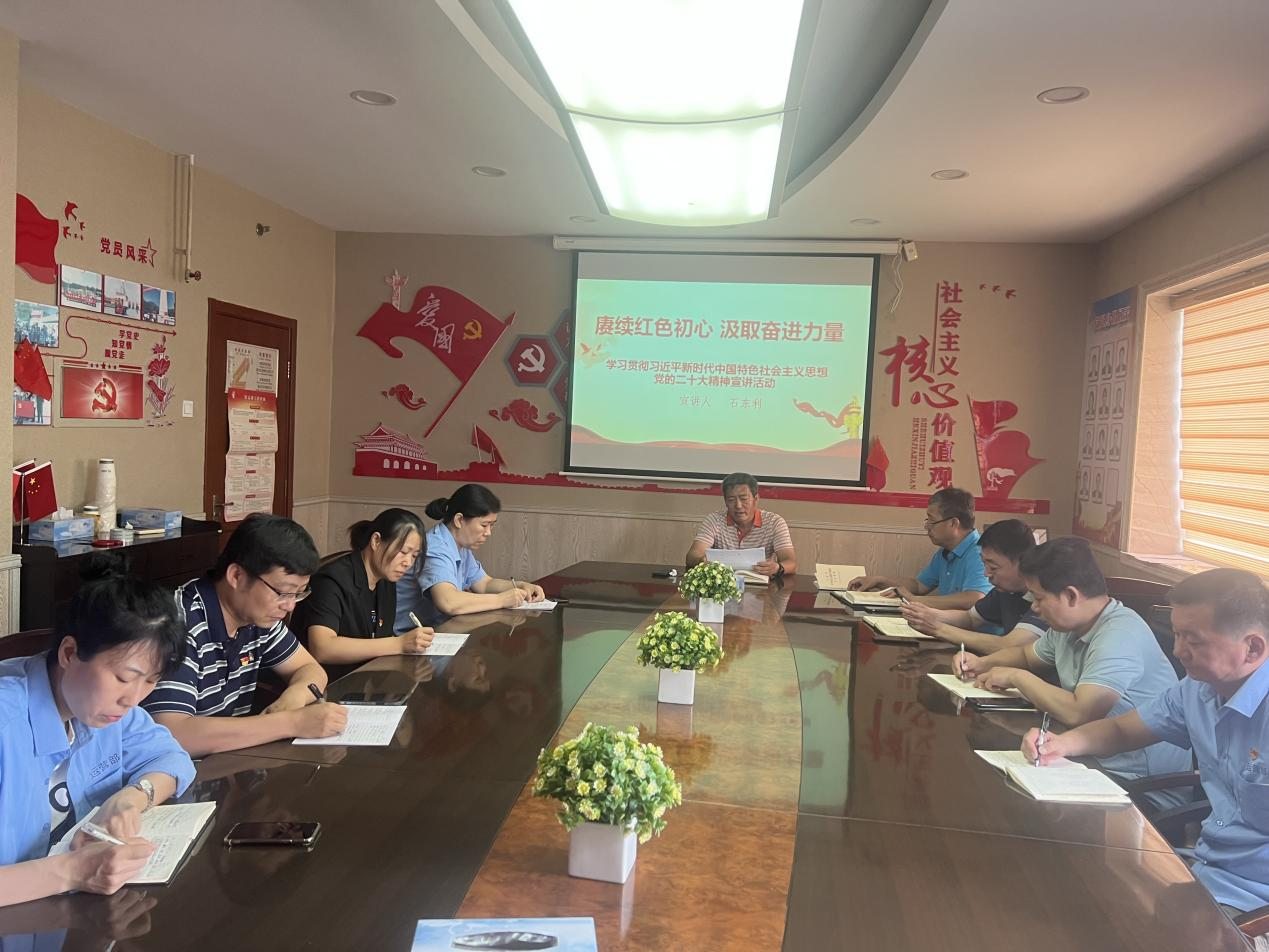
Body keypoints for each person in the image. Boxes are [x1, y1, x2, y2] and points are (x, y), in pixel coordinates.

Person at [1022, 569, 1269, 943]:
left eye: (1193, 640)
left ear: (1252, 648)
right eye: (1177, 634)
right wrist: (1061, 744)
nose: (1178, 650)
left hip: (1254, 908)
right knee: (1074, 902)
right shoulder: (1197, 690)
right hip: (1204, 874)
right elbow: (1122, 730)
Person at [0, 560, 196, 908]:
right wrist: (73, 872)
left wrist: (133, 798)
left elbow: (172, 758)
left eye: (151, 682)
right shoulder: (6, 722)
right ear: (69, 653)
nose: (132, 699)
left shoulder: (108, 710)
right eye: (123, 678)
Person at [958, 537, 1190, 799]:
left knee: (997, 795)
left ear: (1071, 595)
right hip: (1090, 759)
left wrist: (1016, 677)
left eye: (1039, 598)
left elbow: (1080, 712)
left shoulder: (1119, 634)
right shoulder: (1069, 627)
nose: (1034, 607)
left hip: (1138, 785)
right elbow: (1026, 655)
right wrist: (981, 663)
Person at [143, 513, 347, 757]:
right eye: (283, 592)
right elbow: (173, 733)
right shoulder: (178, 622)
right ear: (236, 576)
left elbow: (310, 669)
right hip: (179, 770)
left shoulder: (258, 618)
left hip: (231, 761)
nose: (290, 605)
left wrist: (292, 699)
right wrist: (291, 723)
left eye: (299, 593)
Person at [294, 508, 435, 665]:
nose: (408, 563)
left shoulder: (386, 580)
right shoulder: (330, 581)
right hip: (327, 676)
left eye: (414, 556)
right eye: (403, 552)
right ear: (376, 541)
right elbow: (322, 649)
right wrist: (399, 644)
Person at [395, 485, 545, 629]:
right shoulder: (435, 547)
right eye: (484, 525)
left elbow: (484, 584)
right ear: (459, 520)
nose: (488, 533)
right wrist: (501, 600)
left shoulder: (460, 547)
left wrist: (521, 586)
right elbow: (448, 602)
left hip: (438, 630)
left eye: (492, 525)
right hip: (409, 635)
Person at [900, 519, 1046, 653]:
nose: (986, 573)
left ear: (1023, 562)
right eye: (984, 564)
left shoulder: (1045, 597)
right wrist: (928, 614)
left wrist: (938, 628)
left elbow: (1008, 646)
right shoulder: (1005, 591)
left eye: (993, 567)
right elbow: (971, 618)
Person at [849, 487, 992, 609]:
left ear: (953, 523)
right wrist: (879, 580)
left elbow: (975, 598)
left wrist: (915, 600)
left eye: (932, 520)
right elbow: (919, 585)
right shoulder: (945, 551)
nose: (926, 526)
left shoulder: (980, 552)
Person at [685, 472, 797, 578]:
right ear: (725, 501)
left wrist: (777, 568)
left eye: (744, 499)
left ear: (756, 499)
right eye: (731, 499)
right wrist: (702, 560)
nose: (738, 505)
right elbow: (692, 555)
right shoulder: (714, 520)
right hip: (723, 586)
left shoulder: (774, 522)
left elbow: (791, 563)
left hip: (762, 585)